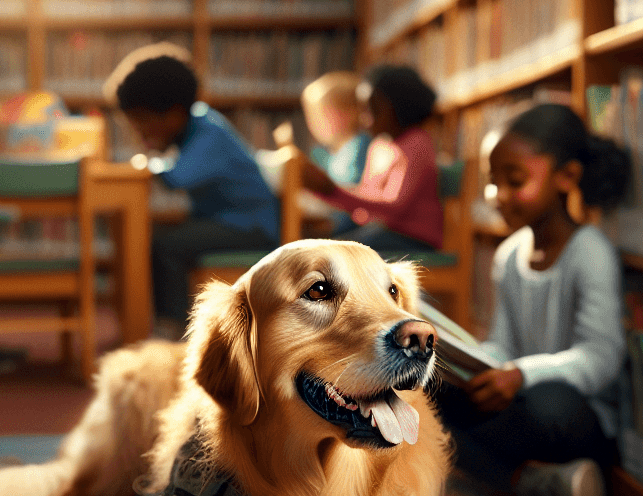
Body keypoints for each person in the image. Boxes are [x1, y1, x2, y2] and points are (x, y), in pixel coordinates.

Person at [430, 102, 630, 496]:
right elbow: (504, 342)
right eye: (491, 182)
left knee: (549, 401)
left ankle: (522, 478)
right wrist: (471, 365)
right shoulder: (508, 255)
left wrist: (519, 374)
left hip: (572, 415)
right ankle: (530, 483)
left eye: (515, 181)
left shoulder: (590, 252)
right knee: (427, 393)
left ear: (567, 177)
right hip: (518, 398)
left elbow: (600, 359)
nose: (498, 195)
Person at [108, 48, 279, 334]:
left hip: (251, 227)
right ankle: (155, 322)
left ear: (173, 113)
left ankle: (171, 329)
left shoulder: (208, 132)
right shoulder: (198, 126)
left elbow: (177, 177)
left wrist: (149, 162)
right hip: (230, 221)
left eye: (142, 121)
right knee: (163, 238)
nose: (139, 132)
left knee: (166, 245)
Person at [299, 64, 443, 256]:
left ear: (398, 106)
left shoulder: (417, 143)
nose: (365, 120)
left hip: (412, 240)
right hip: (381, 232)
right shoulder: (378, 146)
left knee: (331, 256)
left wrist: (332, 191)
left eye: (373, 110)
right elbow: (366, 201)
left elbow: (394, 207)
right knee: (317, 248)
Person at [300, 71, 370, 234]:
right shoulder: (333, 152)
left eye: (321, 115)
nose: (314, 123)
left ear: (351, 113)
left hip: (348, 228)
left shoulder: (359, 146)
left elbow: (352, 196)